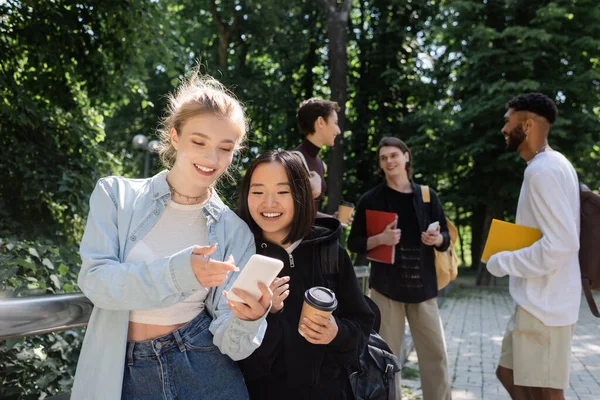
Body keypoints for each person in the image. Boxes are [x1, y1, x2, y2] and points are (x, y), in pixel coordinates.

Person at [71, 72, 273, 399]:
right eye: (199, 141)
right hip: (125, 372)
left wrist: (248, 319)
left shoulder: (235, 230)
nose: (211, 159)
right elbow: (96, 281)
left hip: (205, 365)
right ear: (175, 136)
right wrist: (181, 273)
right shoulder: (115, 196)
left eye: (225, 148)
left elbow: (233, 345)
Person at [237, 150, 374, 400]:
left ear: (300, 195)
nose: (269, 203)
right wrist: (269, 318)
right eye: (257, 192)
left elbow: (362, 323)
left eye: (282, 192)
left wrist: (337, 333)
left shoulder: (329, 253)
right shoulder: (237, 254)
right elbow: (234, 352)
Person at [487, 93, 580, 400]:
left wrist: (503, 262)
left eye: (507, 122)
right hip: (534, 302)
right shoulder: (551, 165)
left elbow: (562, 244)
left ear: (527, 125)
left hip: (546, 306)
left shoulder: (542, 170)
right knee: (509, 374)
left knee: (546, 393)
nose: (503, 129)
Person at [348, 136, 452, 400]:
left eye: (393, 155)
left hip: (423, 289)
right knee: (386, 360)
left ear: (406, 157)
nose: (388, 161)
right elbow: (354, 242)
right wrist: (380, 240)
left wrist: (437, 239)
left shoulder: (428, 196)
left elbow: (445, 240)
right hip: (386, 290)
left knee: (436, 357)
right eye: (383, 158)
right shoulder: (371, 199)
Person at [294, 98, 341, 218]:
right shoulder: (294, 160)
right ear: (320, 122)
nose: (338, 131)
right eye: (335, 123)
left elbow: (311, 214)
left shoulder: (321, 164)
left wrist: (332, 219)